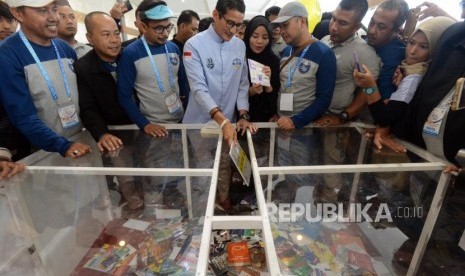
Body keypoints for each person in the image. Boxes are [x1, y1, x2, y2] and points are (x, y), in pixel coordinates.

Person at [182, 0, 256, 211]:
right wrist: (221, 120)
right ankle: (203, 208)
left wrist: (243, 113)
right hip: (200, 122)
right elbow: (198, 89)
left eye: (239, 25)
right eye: (230, 23)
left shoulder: (239, 45)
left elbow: (242, 83)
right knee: (203, 166)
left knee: (225, 163)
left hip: (229, 122)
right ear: (216, 15)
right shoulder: (194, 45)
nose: (234, 30)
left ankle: (223, 200)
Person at [0, 0, 91, 158]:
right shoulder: (7, 55)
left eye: (54, 10)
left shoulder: (65, 49)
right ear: (18, 13)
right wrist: (61, 145)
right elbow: (22, 115)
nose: (54, 18)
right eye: (42, 11)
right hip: (42, 151)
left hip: (81, 141)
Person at [75, 11, 144, 210]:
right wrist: (102, 133)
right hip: (115, 133)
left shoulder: (129, 55)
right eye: (106, 35)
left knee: (149, 171)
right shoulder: (83, 68)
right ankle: (134, 208)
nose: (114, 41)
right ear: (90, 38)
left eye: (116, 33)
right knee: (126, 175)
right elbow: (87, 108)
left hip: (143, 126)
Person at [354, 16, 456, 128]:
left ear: (436, 50)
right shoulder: (407, 70)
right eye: (411, 42)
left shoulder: (415, 77)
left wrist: (369, 87)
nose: (412, 51)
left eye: (423, 46)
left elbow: (384, 119)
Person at [118, 1, 189, 136]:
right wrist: (145, 124)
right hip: (154, 127)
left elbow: (183, 83)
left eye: (168, 27)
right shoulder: (131, 53)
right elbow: (124, 96)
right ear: (144, 27)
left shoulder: (173, 48)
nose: (165, 34)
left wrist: (188, 112)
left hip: (181, 121)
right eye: (159, 28)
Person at [341, 0, 409, 123]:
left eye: (381, 27)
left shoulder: (396, 58)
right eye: (372, 22)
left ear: (397, 31)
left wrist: (345, 115)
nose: (372, 30)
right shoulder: (360, 43)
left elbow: (379, 98)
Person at [272, 1, 336, 130]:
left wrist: (295, 121)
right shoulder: (285, 51)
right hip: (281, 123)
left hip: (305, 128)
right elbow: (282, 86)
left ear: (302, 21)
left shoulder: (324, 54)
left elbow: (324, 99)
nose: (282, 31)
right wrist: (277, 113)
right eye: (280, 27)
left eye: (285, 25)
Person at [315, 0, 380, 126]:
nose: (333, 27)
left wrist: (344, 116)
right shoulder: (324, 41)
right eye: (333, 19)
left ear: (357, 27)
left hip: (335, 123)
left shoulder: (364, 52)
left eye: (343, 23)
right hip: (312, 115)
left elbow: (368, 90)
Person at [244, 15, 280, 122]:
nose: (259, 41)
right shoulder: (240, 58)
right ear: (248, 35)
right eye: (255, 36)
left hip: (265, 121)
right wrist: (250, 92)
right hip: (242, 120)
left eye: (265, 37)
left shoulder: (273, 61)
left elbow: (275, 100)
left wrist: (268, 86)